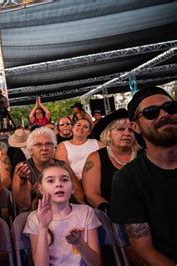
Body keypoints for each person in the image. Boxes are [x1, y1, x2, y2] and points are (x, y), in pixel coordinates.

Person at [111, 87, 177, 264]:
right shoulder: (127, 179)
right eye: (151, 112)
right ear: (135, 127)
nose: (164, 115)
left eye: (170, 107)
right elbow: (144, 250)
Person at [24, 163, 101, 266]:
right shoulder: (34, 219)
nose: (59, 184)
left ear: (73, 188)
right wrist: (43, 226)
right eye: (51, 181)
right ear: (41, 189)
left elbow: (96, 263)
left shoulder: (86, 212)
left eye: (64, 180)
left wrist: (79, 243)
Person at [12, 127, 84, 210]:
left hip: (64, 210)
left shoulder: (63, 166)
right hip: (37, 214)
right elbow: (24, 205)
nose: (44, 148)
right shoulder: (24, 168)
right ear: (30, 150)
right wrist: (23, 182)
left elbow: (80, 196)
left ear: (54, 148)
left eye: (49, 144)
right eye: (38, 145)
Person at [82, 109, 138, 214]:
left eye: (131, 130)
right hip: (112, 217)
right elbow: (91, 194)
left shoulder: (144, 154)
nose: (127, 133)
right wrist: (112, 211)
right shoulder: (96, 158)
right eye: (120, 129)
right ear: (108, 133)